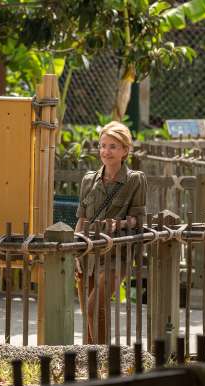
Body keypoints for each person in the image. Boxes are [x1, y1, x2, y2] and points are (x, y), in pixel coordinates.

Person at [74, 121, 147, 344]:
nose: (106, 151)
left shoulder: (135, 179)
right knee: (90, 313)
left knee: (94, 307)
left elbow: (139, 218)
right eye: (103, 145)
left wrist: (120, 224)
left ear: (125, 150)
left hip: (118, 254)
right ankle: (90, 363)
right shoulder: (89, 180)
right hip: (88, 254)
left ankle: (103, 360)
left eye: (113, 146)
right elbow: (82, 219)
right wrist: (75, 253)